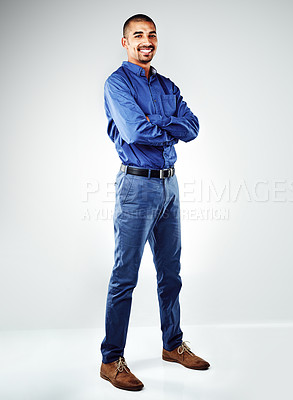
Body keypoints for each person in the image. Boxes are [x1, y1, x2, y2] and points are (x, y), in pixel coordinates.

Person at [99, 14, 210, 391]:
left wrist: (156, 118)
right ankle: (111, 360)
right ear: (125, 42)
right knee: (125, 277)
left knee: (171, 274)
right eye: (138, 35)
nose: (146, 41)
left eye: (152, 35)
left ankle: (172, 344)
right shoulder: (117, 83)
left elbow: (192, 126)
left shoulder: (166, 85)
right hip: (136, 186)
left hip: (169, 188)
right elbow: (133, 130)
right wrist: (167, 125)